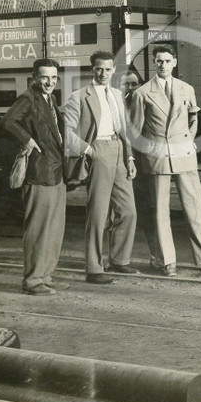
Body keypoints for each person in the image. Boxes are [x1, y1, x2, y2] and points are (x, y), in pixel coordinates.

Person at [128, 45, 201, 276]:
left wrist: (190, 139)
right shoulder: (142, 93)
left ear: (175, 62)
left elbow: (194, 118)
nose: (163, 65)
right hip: (158, 157)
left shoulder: (186, 89)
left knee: (195, 207)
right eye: (158, 61)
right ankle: (166, 260)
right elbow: (134, 131)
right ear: (154, 63)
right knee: (160, 211)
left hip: (183, 154)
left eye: (167, 60)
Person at [63, 51, 138, 285]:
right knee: (98, 213)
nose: (103, 73)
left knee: (128, 211)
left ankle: (119, 259)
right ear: (92, 70)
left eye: (108, 69)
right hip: (98, 151)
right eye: (99, 69)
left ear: (114, 70)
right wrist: (89, 150)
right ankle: (94, 268)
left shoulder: (117, 94)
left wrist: (130, 158)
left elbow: (125, 131)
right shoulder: (78, 97)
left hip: (119, 151)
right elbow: (66, 132)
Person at [0, 58, 69, 296]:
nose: (49, 82)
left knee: (53, 228)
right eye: (44, 77)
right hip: (40, 172)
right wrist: (28, 141)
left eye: (53, 77)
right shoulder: (28, 98)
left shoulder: (49, 99)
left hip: (55, 171)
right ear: (34, 77)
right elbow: (8, 120)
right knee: (39, 229)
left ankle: (45, 276)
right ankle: (32, 280)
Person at [119, 70, 164, 271]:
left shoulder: (144, 104)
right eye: (126, 84)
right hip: (119, 165)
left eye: (134, 84)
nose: (130, 88)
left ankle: (156, 256)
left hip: (142, 166)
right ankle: (118, 259)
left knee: (148, 212)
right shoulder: (114, 105)